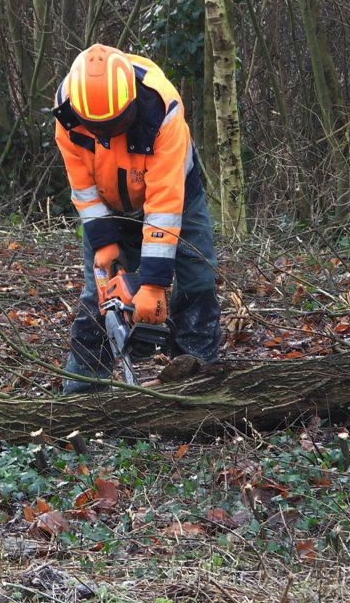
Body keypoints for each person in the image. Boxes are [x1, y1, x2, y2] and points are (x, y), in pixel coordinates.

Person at [52, 43, 222, 393]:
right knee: (97, 297)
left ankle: (197, 374)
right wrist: (103, 240)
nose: (107, 134)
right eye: (98, 128)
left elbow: (164, 201)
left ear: (130, 103)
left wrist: (154, 283)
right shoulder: (67, 109)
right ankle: (83, 392)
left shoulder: (161, 107)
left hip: (176, 195)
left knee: (198, 281)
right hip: (107, 201)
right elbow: (81, 184)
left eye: (114, 124)